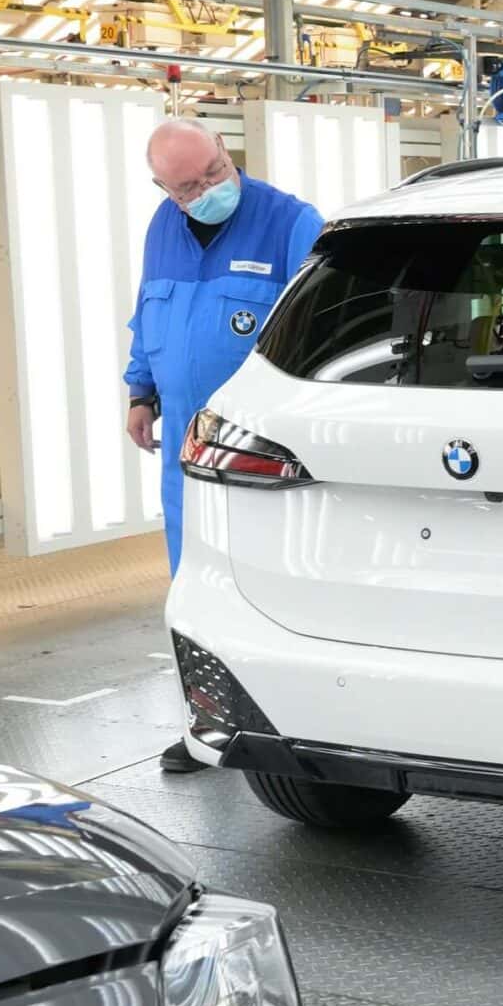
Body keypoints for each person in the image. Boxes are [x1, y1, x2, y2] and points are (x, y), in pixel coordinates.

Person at [124, 116, 323, 774]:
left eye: (215, 170)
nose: (209, 189)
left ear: (225, 150)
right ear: (165, 189)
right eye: (188, 186)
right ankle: (207, 726)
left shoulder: (291, 224)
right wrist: (141, 391)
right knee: (194, 592)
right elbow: (147, 314)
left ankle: (294, 728)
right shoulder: (162, 228)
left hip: (263, 455)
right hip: (188, 455)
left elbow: (319, 333)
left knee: (269, 591)